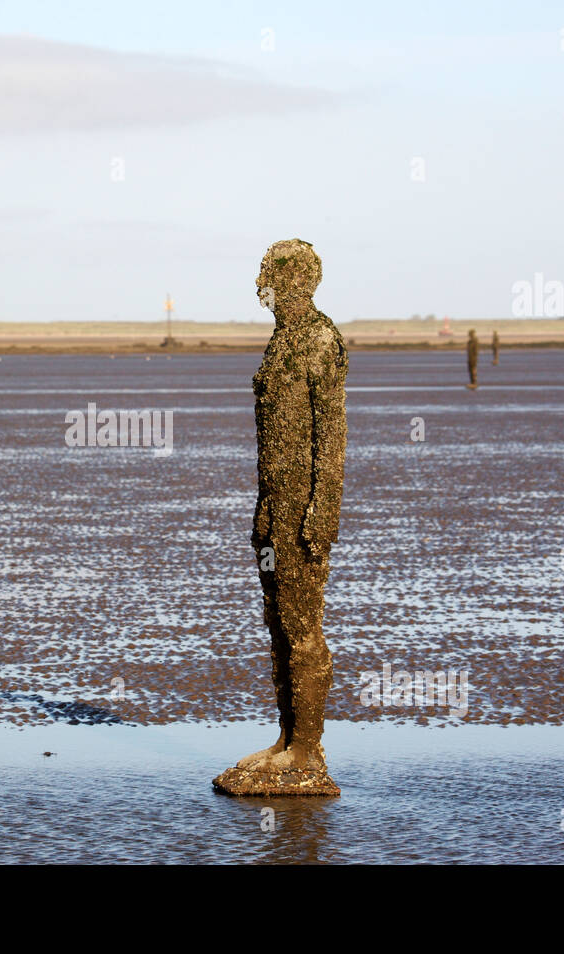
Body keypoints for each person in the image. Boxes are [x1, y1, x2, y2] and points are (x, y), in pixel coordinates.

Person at [213, 239, 344, 796]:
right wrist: (264, 511)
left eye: (268, 274)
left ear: (298, 280)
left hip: (303, 511)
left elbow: (331, 438)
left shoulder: (319, 340)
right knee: (277, 623)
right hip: (272, 509)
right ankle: (286, 738)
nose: (259, 285)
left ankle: (307, 752)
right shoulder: (281, 343)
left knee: (302, 624)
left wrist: (320, 515)